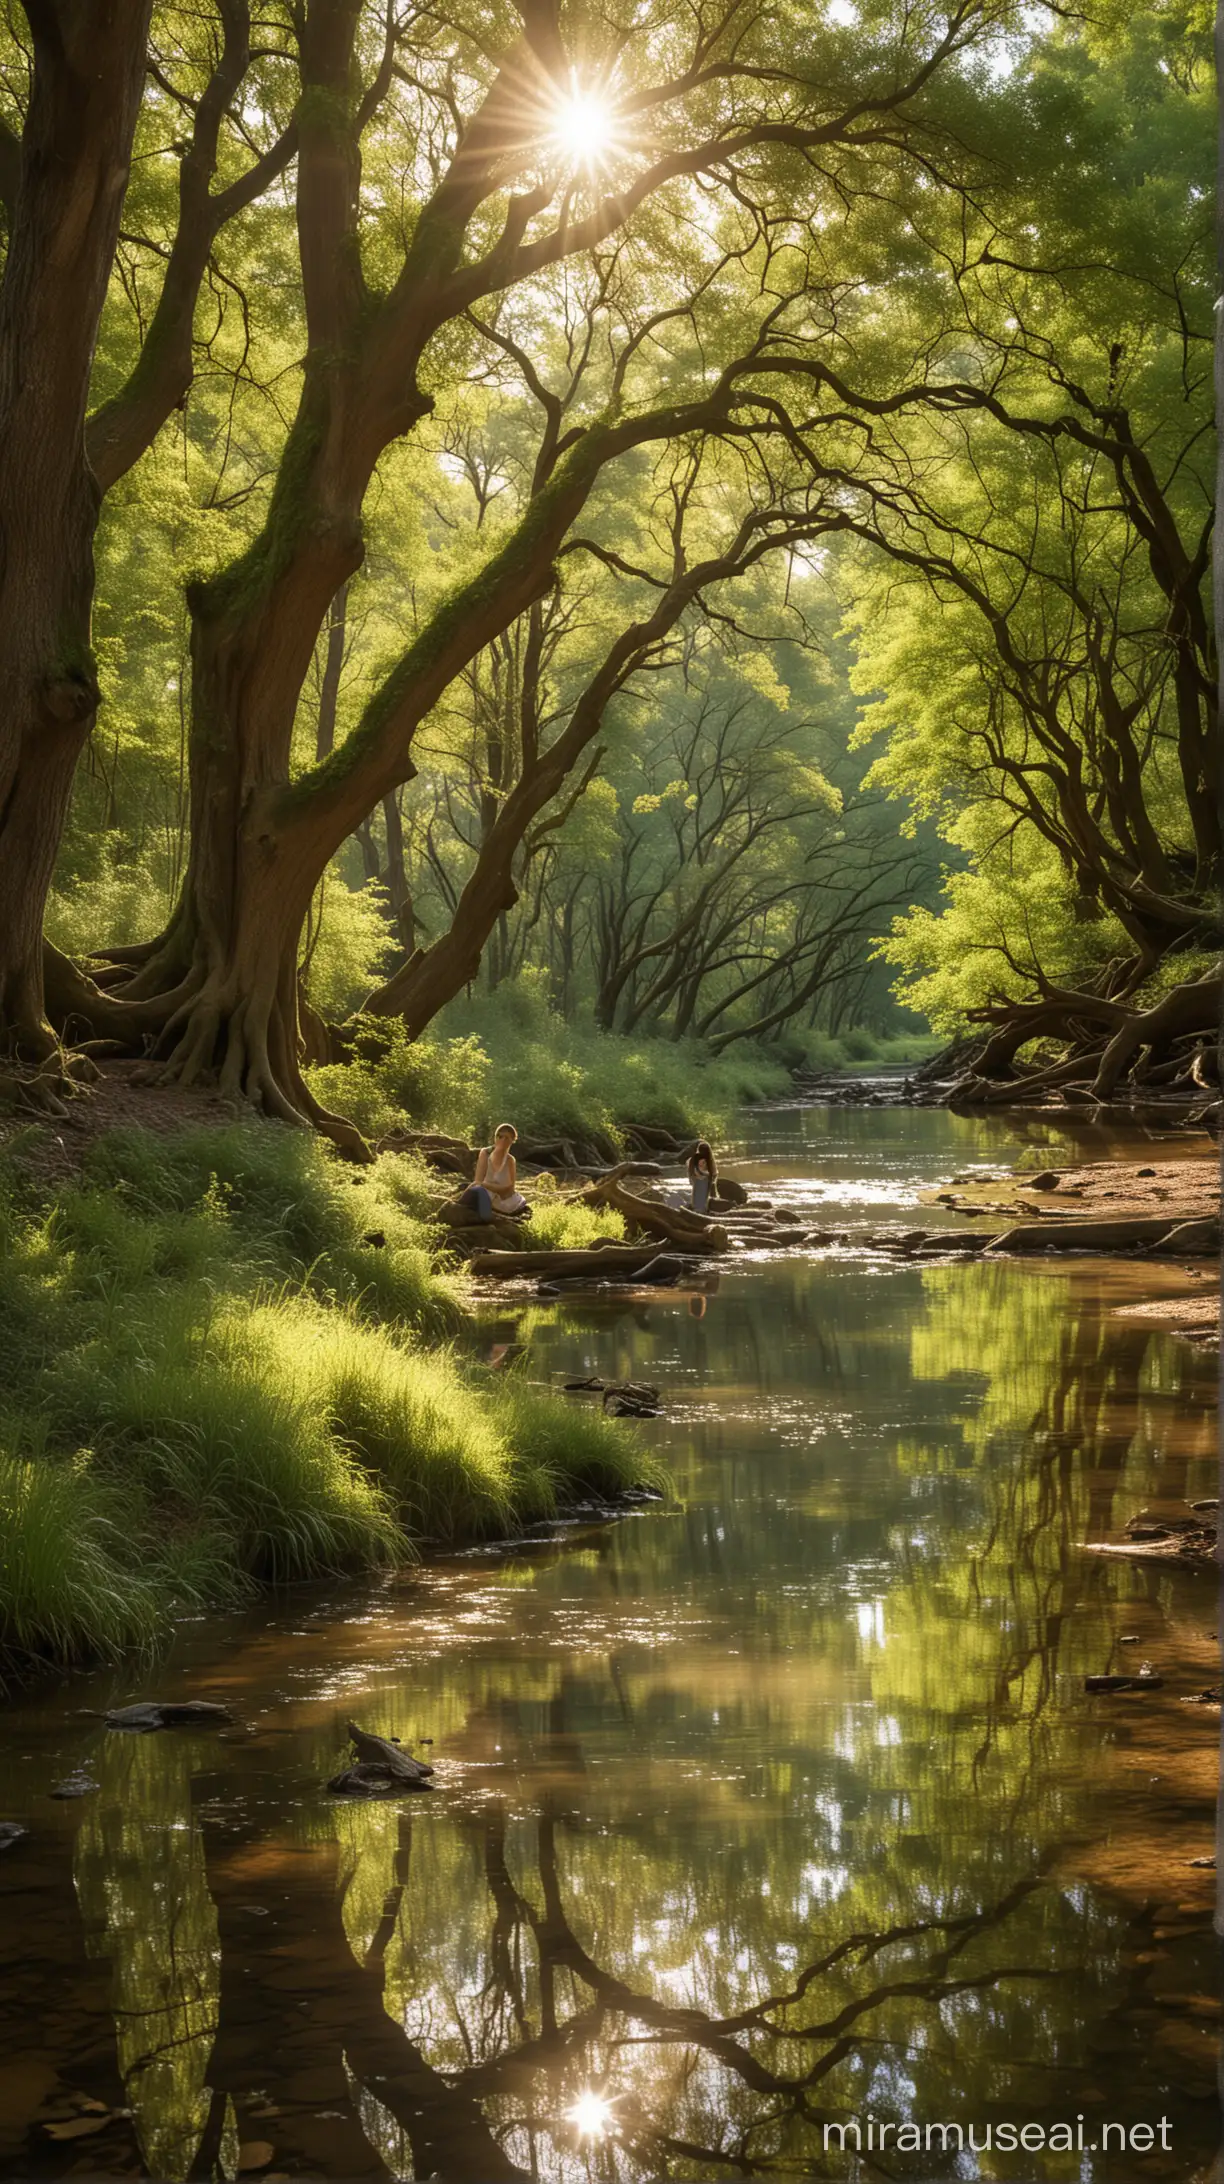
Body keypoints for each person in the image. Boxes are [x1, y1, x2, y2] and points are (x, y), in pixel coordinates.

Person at [459, 1123, 529, 1222]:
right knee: (477, 1191)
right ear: (495, 1138)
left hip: (503, 1200)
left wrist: (487, 1185)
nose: (502, 1140)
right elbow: (478, 1180)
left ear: (512, 1141)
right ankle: (457, 1207)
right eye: (500, 1136)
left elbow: (509, 1189)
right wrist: (489, 1187)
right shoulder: (485, 1153)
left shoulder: (510, 1160)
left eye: (507, 1138)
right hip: (485, 1193)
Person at [687, 1138, 717, 1214]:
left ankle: (696, 1210)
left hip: (697, 1180)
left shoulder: (694, 1158)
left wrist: (692, 1178)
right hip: (706, 1181)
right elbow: (714, 1173)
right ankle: (703, 1210)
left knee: (696, 1197)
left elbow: (691, 1171)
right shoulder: (709, 1159)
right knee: (704, 1198)